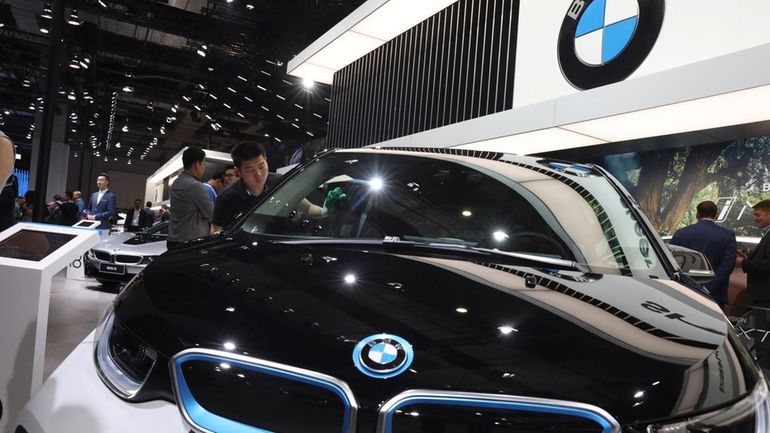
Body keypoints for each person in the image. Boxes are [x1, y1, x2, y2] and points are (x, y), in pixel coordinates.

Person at [670, 201, 736, 308]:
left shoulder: (681, 233)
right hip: (714, 295)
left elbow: (672, 261)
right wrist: (708, 288)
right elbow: (727, 266)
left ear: (697, 214)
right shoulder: (727, 236)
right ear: (716, 215)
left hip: (684, 291)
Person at [212, 142, 280, 233]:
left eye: (261, 166)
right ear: (238, 171)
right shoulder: (227, 198)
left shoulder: (279, 181)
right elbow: (216, 231)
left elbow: (301, 201)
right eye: (250, 170)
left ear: (266, 159)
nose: (259, 175)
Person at [168, 147, 213, 247]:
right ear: (197, 164)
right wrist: (201, 213)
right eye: (203, 164)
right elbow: (211, 214)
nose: (204, 168)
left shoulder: (176, 182)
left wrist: (201, 212)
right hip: (191, 241)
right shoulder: (195, 185)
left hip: (173, 238)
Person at [740, 199, 770, 306]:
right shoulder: (767, 234)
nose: (754, 218)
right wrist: (748, 255)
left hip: (766, 298)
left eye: (758, 215)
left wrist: (743, 263)